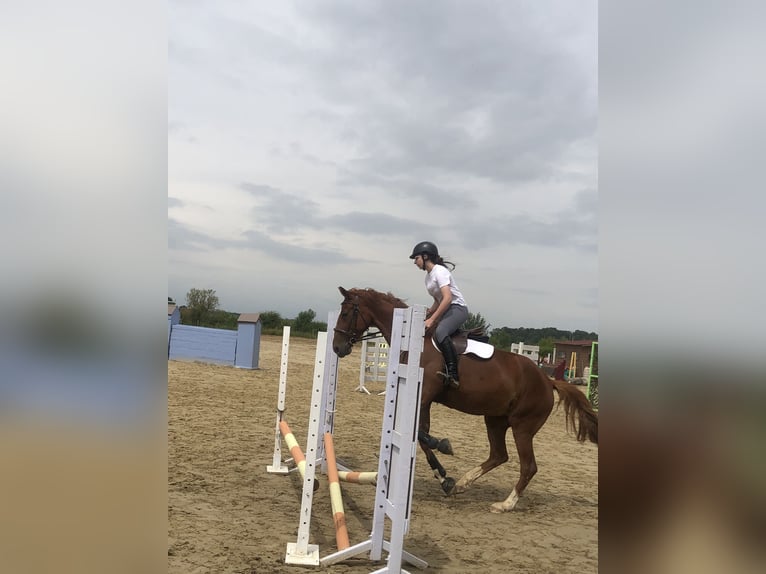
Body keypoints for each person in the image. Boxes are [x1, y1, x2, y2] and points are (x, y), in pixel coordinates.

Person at [409, 241, 468, 389]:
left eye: (416, 258)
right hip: (446, 308)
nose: (415, 262)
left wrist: (433, 319)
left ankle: (453, 374)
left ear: (425, 256)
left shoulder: (440, 271)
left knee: (441, 331)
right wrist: (428, 313)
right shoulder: (428, 278)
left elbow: (447, 298)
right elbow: (438, 300)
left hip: (457, 308)